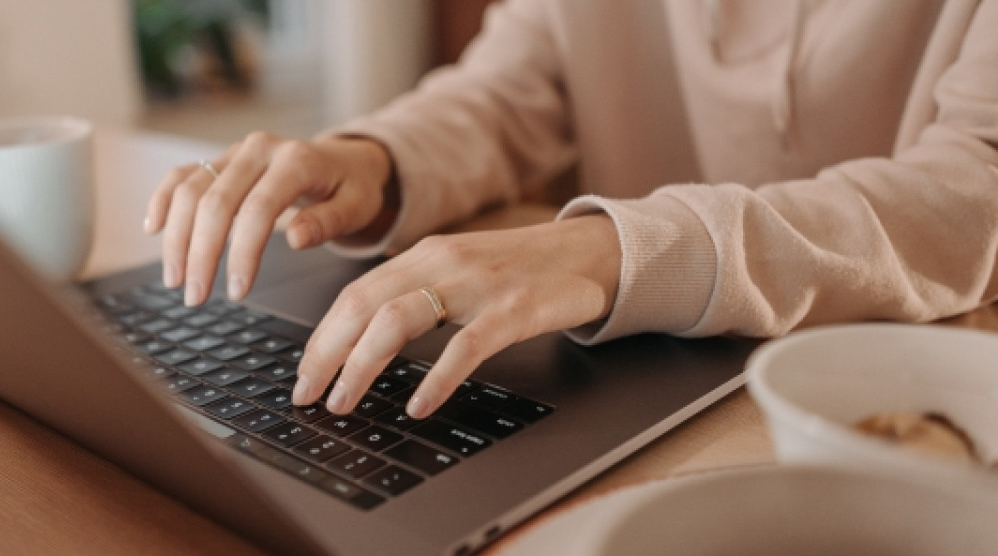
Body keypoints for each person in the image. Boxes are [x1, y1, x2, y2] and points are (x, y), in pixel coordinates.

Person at [143, 0, 998, 421]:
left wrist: (613, 251)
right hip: (638, 386)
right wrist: (374, 160)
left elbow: (972, 186)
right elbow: (505, 90)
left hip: (891, 401)